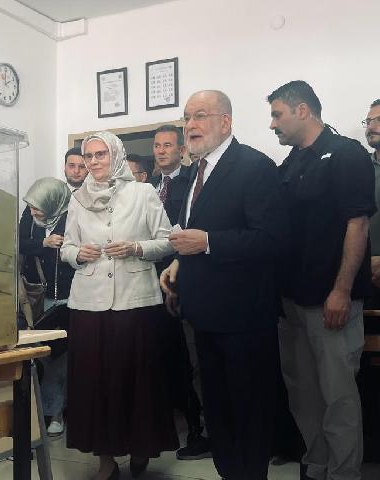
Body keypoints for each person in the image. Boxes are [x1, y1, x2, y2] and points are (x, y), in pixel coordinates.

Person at [161, 90, 287, 480]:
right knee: (217, 411)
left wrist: (208, 242)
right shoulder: (194, 173)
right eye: (186, 117)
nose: (190, 125)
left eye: (200, 116)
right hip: (203, 314)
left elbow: (271, 240)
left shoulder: (254, 166)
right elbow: (196, 230)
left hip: (244, 317)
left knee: (248, 410)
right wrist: (179, 263)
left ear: (225, 122)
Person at [268, 81, 375, 480]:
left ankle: (344, 473)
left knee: (338, 396)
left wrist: (342, 290)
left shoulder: (346, 154)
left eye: (277, 114)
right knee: (303, 392)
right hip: (291, 300)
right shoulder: (291, 162)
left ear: (302, 111)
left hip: (330, 299)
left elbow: (357, 224)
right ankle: (317, 467)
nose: (272, 124)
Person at [61, 131, 178, 480]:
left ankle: (141, 445)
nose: (94, 161)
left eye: (101, 154)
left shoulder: (143, 193)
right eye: (89, 156)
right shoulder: (77, 199)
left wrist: (136, 248)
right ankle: (106, 459)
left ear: (116, 155)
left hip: (134, 300)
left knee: (136, 379)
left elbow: (167, 241)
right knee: (95, 382)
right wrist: (77, 254)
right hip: (89, 303)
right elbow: (67, 247)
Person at [149, 124, 210, 460]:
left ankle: (202, 430)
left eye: (167, 145)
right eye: (157, 145)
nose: (161, 151)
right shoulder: (149, 187)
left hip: (185, 278)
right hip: (152, 281)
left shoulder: (193, 181)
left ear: (181, 149)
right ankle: (179, 424)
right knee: (167, 359)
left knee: (193, 360)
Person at [19, 177, 74, 436]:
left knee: (64, 358)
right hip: (41, 297)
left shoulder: (72, 216)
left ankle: (59, 412)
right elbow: (19, 243)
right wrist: (43, 243)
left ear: (53, 203)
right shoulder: (30, 218)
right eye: (31, 206)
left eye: (38, 207)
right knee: (46, 356)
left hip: (70, 296)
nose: (33, 212)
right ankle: (49, 410)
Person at [365, 99, 380, 303]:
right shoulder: (360, 168)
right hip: (363, 275)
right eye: (368, 121)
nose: (370, 126)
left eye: (378, 120)